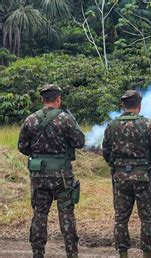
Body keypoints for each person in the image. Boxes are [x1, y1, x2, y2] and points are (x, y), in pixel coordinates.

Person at [18, 84, 84, 258]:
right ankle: (72, 253)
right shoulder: (66, 119)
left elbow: (22, 147)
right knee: (66, 214)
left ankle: (37, 253)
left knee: (40, 214)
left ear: (42, 99)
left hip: (39, 175)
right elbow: (80, 142)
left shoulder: (30, 120)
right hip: (62, 175)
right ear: (58, 99)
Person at [102, 90, 151, 258]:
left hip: (121, 178)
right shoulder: (147, 124)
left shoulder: (112, 125)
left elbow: (106, 152)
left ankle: (123, 253)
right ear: (139, 105)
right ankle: (147, 254)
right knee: (147, 218)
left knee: (121, 218)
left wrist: (118, 165)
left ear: (123, 105)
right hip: (144, 178)